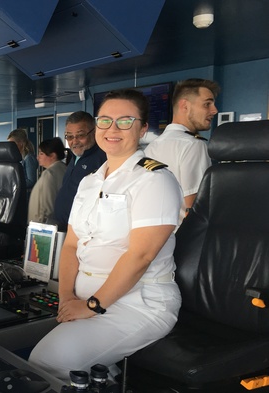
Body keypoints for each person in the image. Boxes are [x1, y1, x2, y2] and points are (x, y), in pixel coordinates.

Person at [28, 89, 183, 381]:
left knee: (47, 362)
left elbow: (141, 255)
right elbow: (72, 245)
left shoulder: (154, 179)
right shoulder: (89, 181)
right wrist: (65, 298)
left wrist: (91, 306)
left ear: (143, 128)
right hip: (85, 298)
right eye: (105, 121)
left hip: (139, 303)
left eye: (125, 121)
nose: (113, 129)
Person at [144, 78, 220, 223]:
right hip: (184, 236)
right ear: (184, 105)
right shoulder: (194, 145)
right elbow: (195, 206)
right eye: (207, 104)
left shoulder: (152, 146)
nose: (214, 110)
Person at [53, 112, 107, 231]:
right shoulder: (75, 156)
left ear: (94, 133)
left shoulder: (103, 159)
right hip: (62, 227)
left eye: (80, 135)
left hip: (81, 232)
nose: (75, 141)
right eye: (70, 137)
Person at [28, 137, 67, 225]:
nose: (38, 157)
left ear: (53, 155)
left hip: (42, 226)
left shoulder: (49, 174)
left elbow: (47, 207)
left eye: (41, 154)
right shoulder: (65, 169)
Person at [8, 128, 38, 195]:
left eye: (12, 144)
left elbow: (31, 181)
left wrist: (14, 183)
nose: (10, 147)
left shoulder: (29, 158)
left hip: (27, 195)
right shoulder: (20, 157)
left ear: (20, 144)